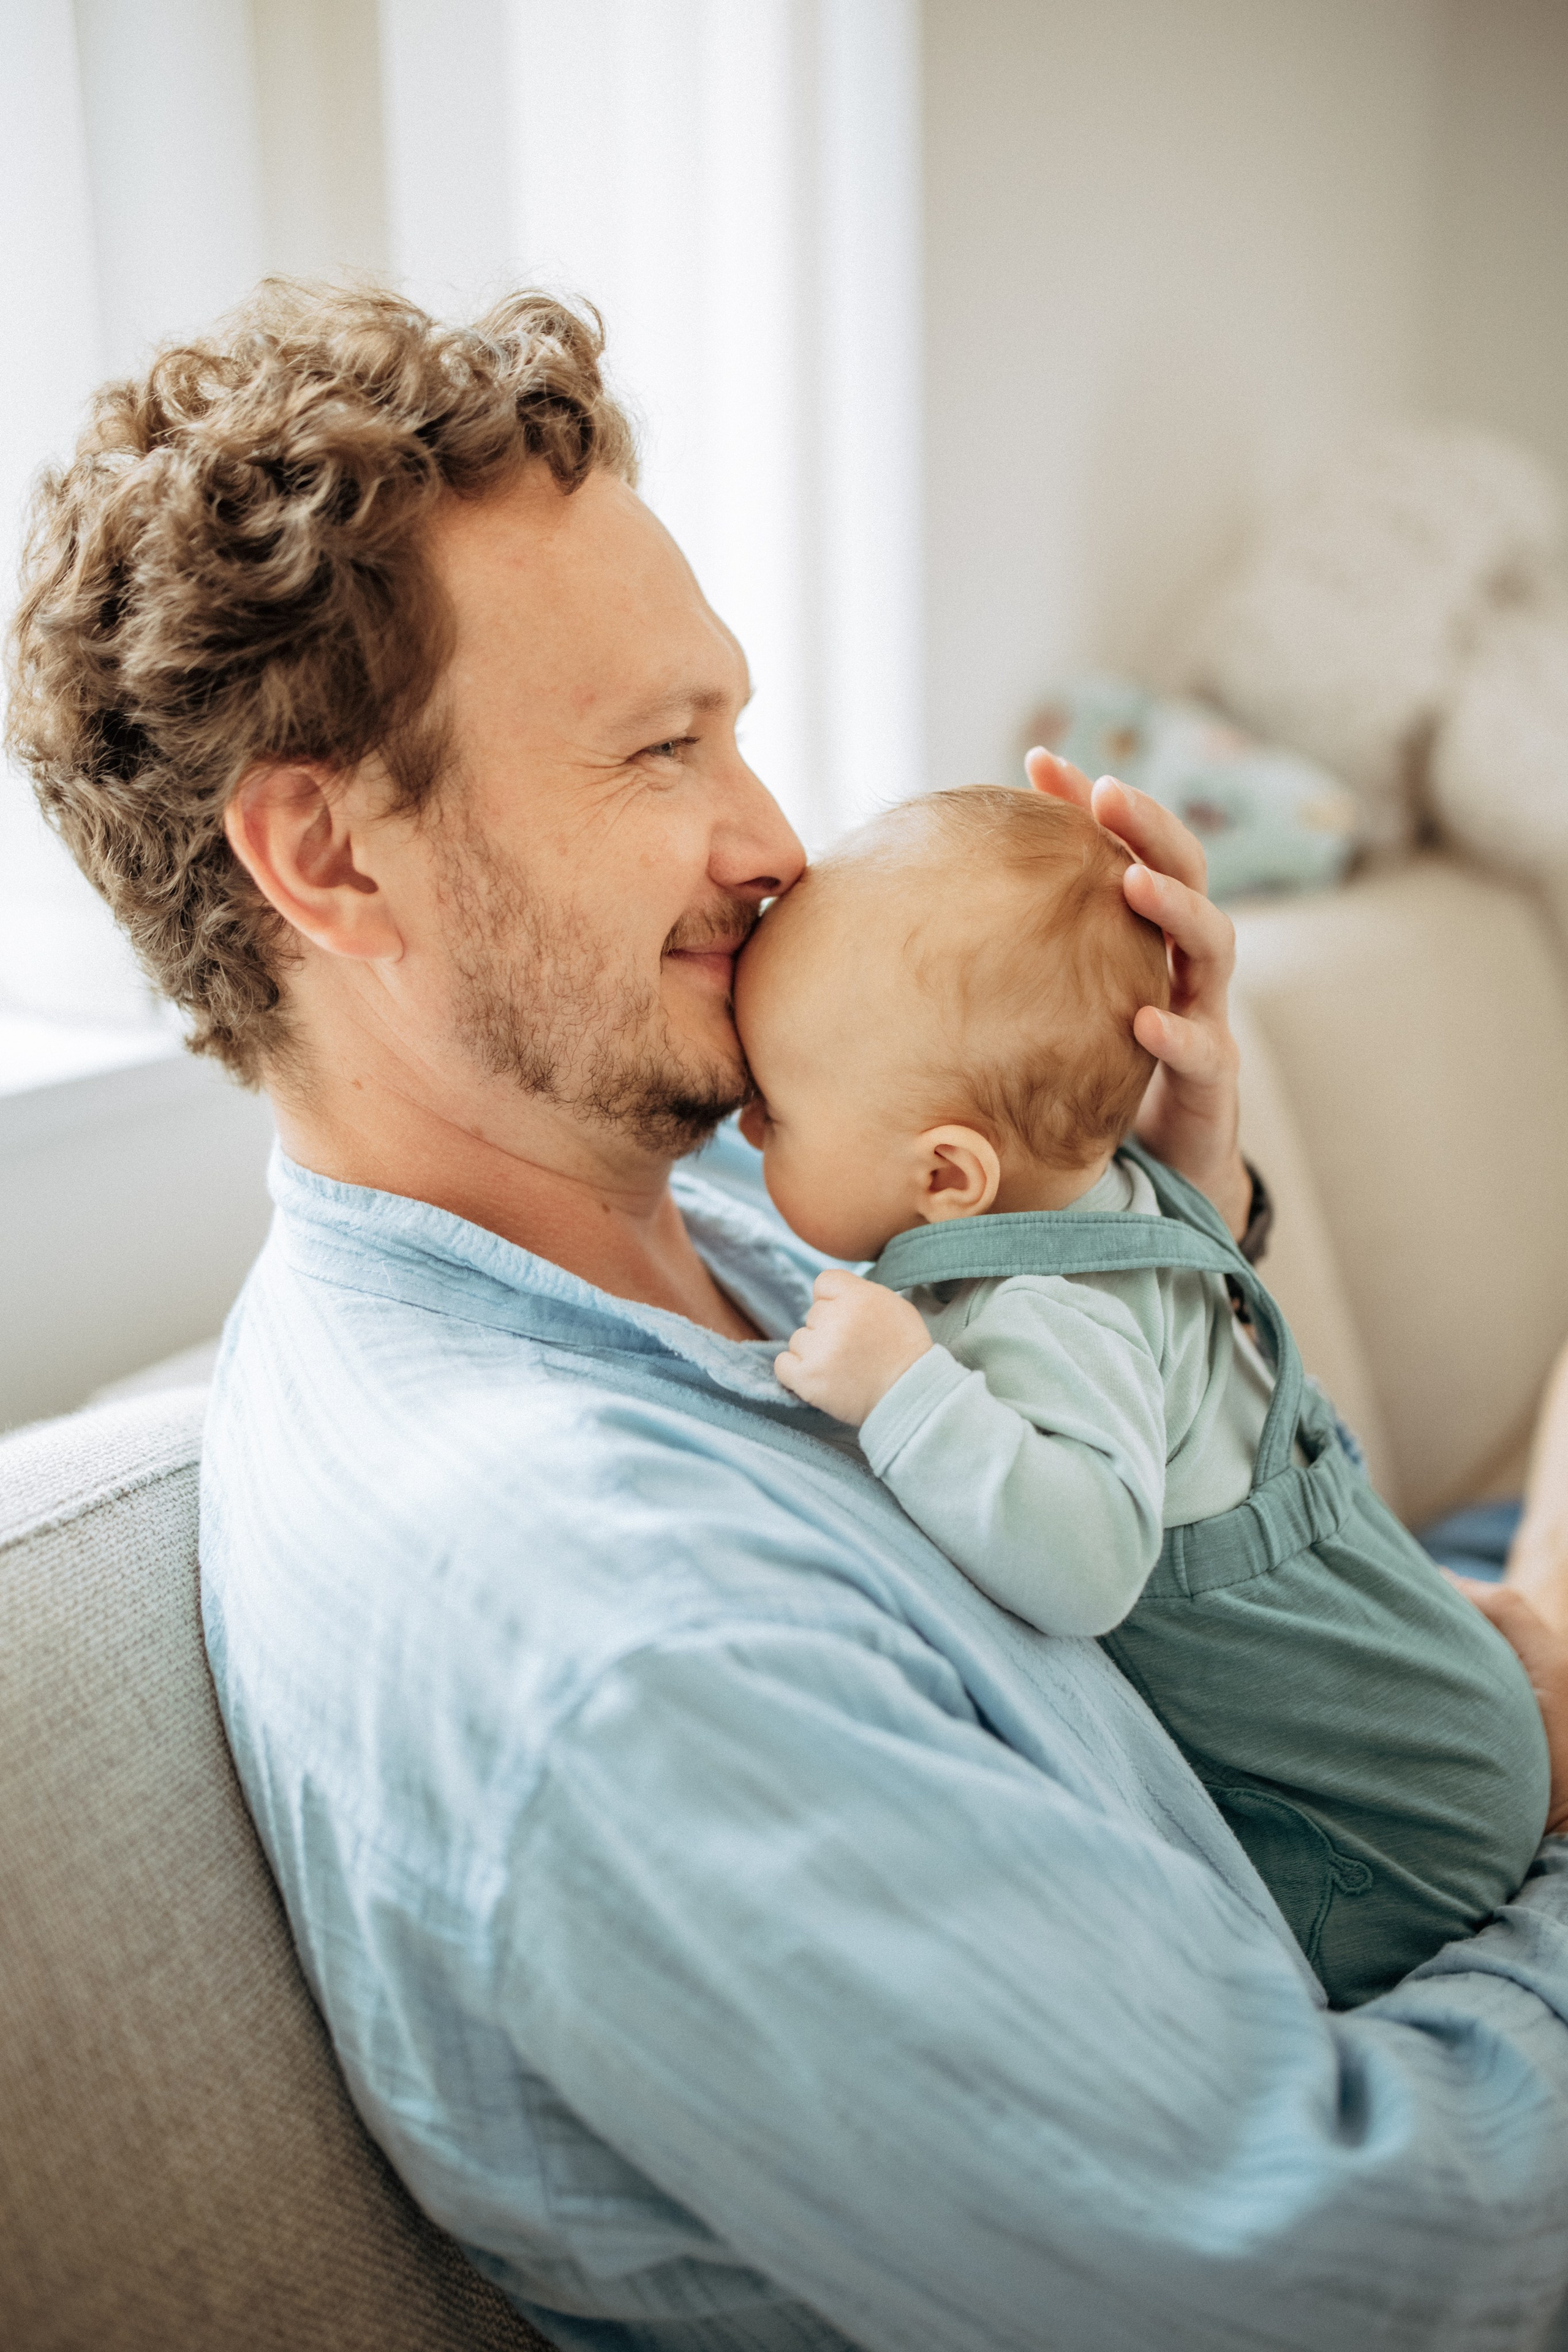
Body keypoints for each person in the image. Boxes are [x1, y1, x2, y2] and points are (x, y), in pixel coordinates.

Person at [9, 282, 1568, 2351]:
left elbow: (1133, 1529)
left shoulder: (694, 1184)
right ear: (328, 858)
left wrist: (1158, 1202)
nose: (771, 842)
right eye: (663, 748)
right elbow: (1365, 2262)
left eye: (736, 727)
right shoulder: (618, 1637)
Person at [731, 784, 1548, 2009]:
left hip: (1391, 1821)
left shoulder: (1043, 1313)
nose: (745, 1126)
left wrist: (905, 1392)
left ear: (948, 1175)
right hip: (1428, 1700)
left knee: (1224, 1986)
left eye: (774, 1110)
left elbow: (1088, 1568)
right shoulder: (1121, 1186)